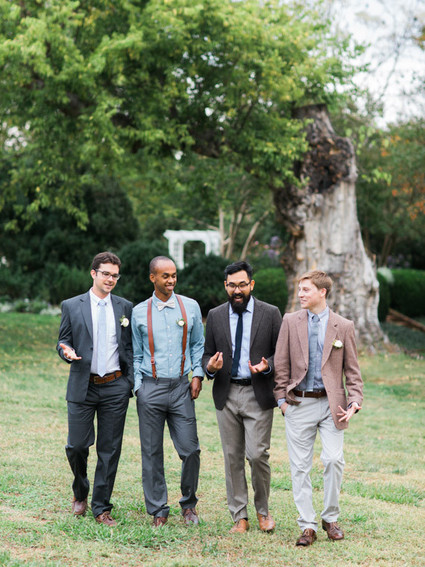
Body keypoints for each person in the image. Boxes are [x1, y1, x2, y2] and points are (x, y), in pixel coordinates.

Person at [274, 270, 363, 546]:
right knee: (300, 467)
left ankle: (330, 518)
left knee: (334, 460)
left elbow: (353, 372)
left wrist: (354, 402)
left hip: (332, 405)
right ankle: (307, 525)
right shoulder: (290, 321)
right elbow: (281, 364)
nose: (300, 294)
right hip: (298, 403)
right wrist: (282, 402)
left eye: (306, 290)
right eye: (299, 289)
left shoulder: (343, 326)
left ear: (322, 292)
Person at [202, 260, 282, 534]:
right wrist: (210, 367)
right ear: (225, 286)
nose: (237, 291)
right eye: (232, 285)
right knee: (232, 456)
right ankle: (240, 516)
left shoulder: (270, 313)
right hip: (226, 393)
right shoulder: (215, 315)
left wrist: (267, 366)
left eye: (242, 285)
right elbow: (207, 353)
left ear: (252, 284)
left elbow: (280, 353)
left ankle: (263, 512)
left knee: (257, 455)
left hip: (258, 393)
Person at [57, 251, 133, 527]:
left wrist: (128, 382)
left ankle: (102, 507)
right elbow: (63, 340)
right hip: (83, 385)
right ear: (94, 273)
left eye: (115, 275)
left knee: (109, 449)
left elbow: (130, 347)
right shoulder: (71, 305)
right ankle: (80, 491)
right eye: (106, 274)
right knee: (77, 446)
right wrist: (66, 351)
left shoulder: (125, 307)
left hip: (115, 386)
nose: (110, 279)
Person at [131, 256, 204, 527]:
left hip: (181, 387)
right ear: (153, 278)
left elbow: (198, 344)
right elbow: (135, 353)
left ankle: (189, 504)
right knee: (152, 453)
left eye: (174, 275)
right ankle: (158, 510)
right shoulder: (139, 312)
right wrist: (139, 387)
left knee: (191, 449)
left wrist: (197, 374)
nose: (171, 280)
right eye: (165, 276)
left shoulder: (190, 307)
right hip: (150, 387)